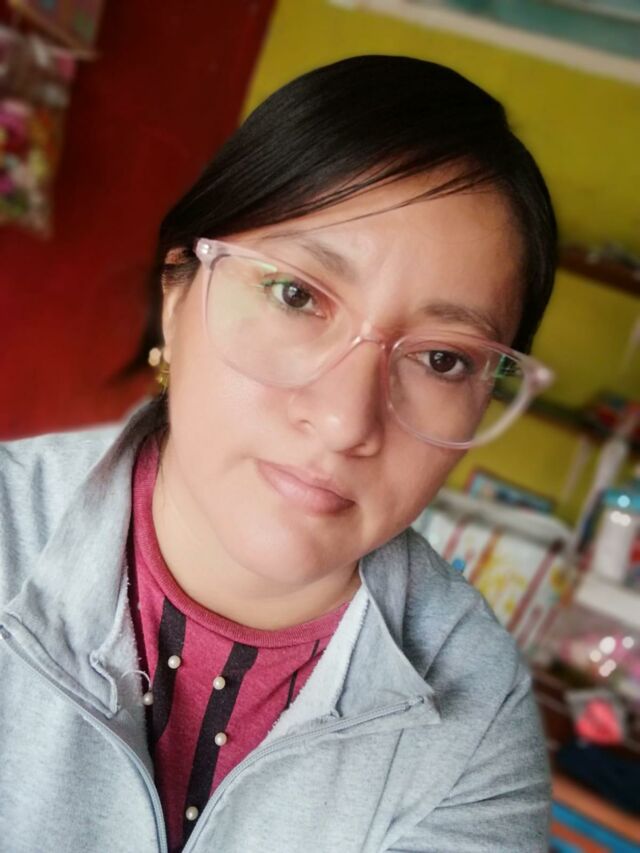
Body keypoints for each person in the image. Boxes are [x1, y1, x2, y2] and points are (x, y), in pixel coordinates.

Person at [0, 54, 557, 853]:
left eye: (442, 358)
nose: (344, 420)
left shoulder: (477, 720)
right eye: (297, 295)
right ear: (177, 291)